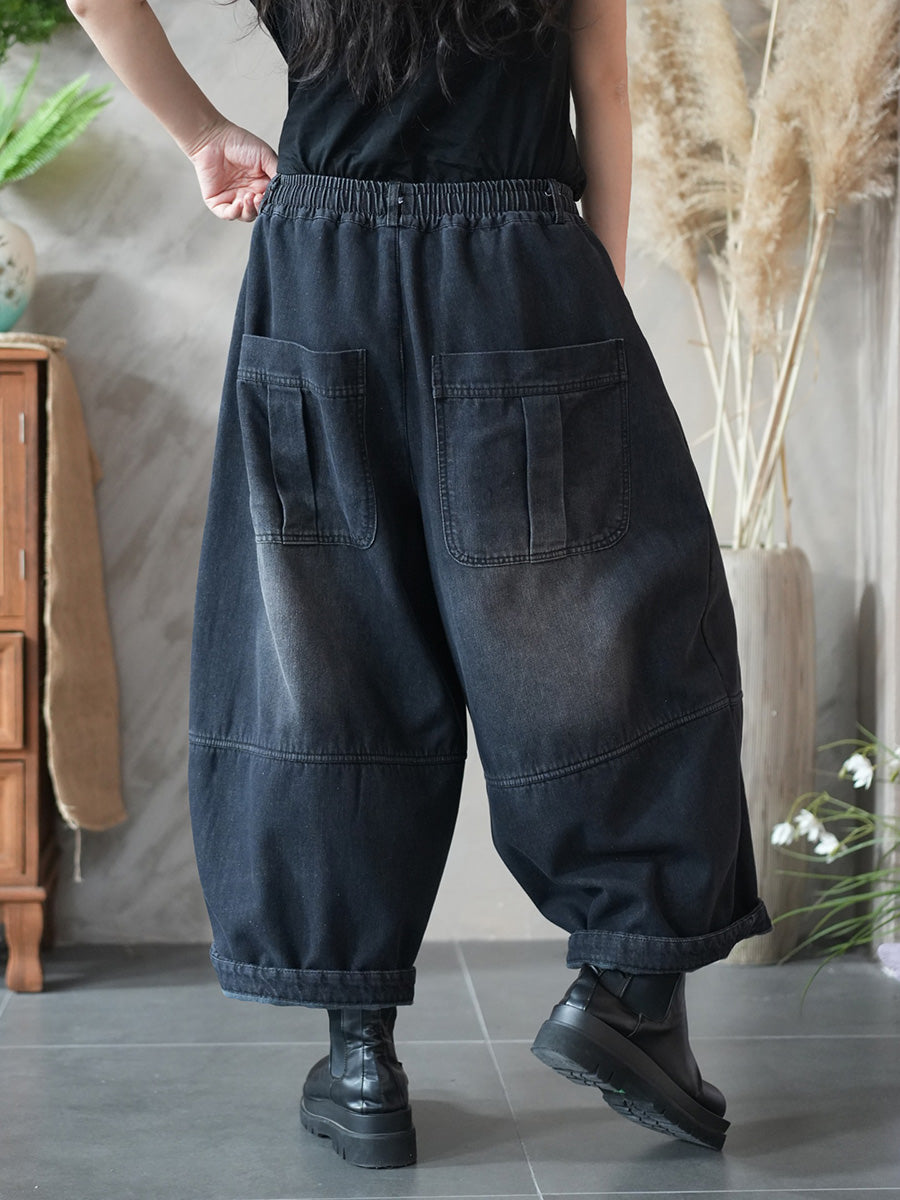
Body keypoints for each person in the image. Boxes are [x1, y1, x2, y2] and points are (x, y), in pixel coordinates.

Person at [66, 0, 772, 1171]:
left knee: (329, 644)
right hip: (521, 268)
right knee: (612, 622)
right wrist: (587, 287)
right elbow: (603, 87)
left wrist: (202, 134)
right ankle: (629, 992)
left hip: (320, 269)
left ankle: (361, 1062)